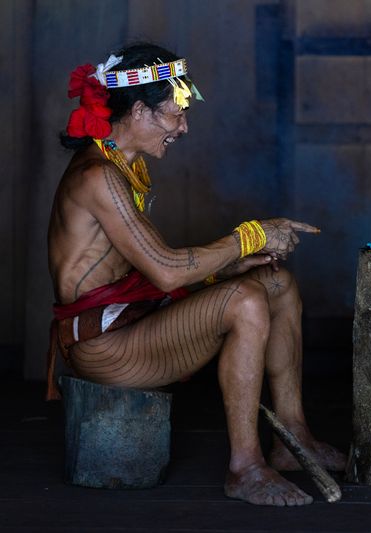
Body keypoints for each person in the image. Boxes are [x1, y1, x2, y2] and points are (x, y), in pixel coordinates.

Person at [48, 42, 345, 506]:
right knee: (245, 299)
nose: (184, 127)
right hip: (103, 346)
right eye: (175, 114)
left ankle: (295, 439)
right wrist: (249, 237)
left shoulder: (125, 164)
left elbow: (148, 267)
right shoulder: (98, 176)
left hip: (134, 319)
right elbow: (166, 272)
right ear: (140, 110)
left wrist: (231, 262)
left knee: (276, 283)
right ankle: (244, 468)